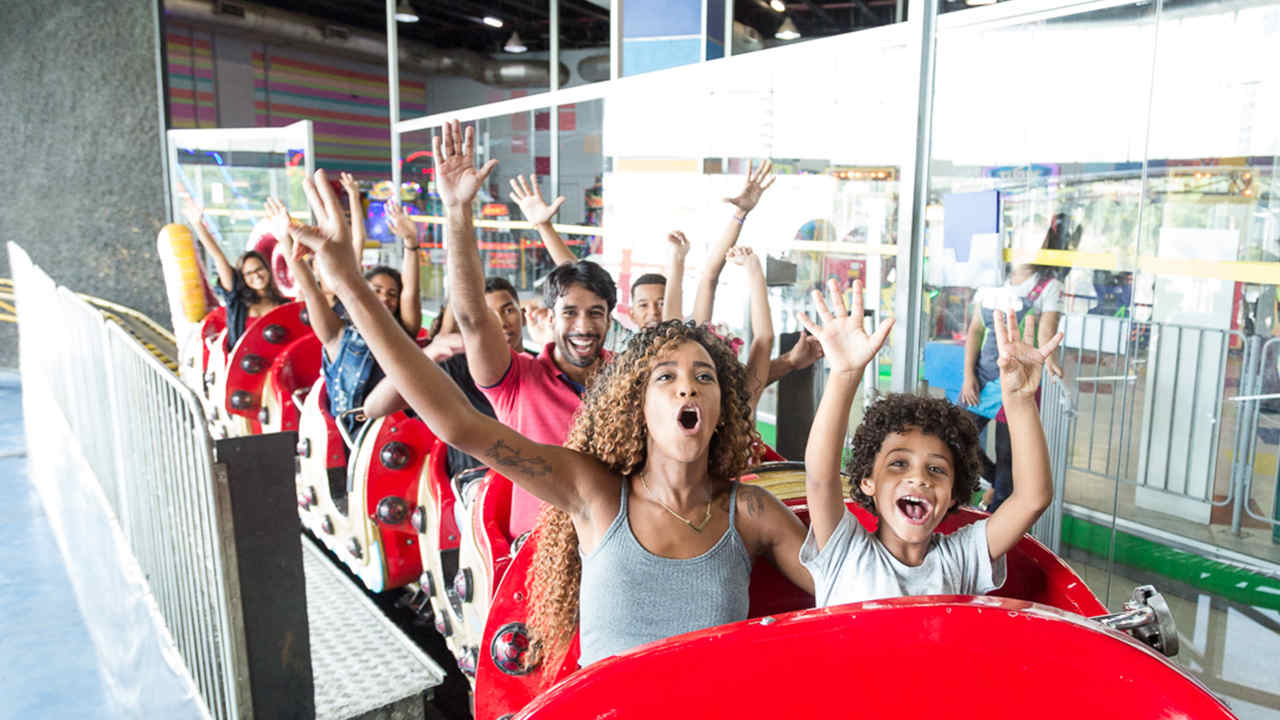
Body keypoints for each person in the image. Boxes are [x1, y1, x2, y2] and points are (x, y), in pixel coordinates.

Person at [284, 159, 812, 676]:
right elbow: (456, 421)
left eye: (704, 378)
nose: (686, 388)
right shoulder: (595, 491)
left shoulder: (751, 511)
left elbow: (852, 584)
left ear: (724, 407)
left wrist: (846, 378)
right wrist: (347, 283)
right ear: (639, 406)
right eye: (665, 378)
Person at [798, 280, 1061, 607]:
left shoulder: (963, 557)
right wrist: (844, 375)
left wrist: (1020, 400)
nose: (919, 478)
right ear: (868, 482)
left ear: (953, 493)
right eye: (898, 463)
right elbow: (821, 478)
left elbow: (1032, 499)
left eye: (936, 469)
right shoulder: (845, 550)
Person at [442, 125, 616, 535]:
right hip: (536, 556)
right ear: (549, 318)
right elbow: (471, 318)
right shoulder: (517, 381)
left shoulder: (627, 377)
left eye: (596, 313)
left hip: (615, 547)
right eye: (570, 313)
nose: (583, 326)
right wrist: (457, 214)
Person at [263, 196, 421, 435]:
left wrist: (410, 242)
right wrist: (285, 239)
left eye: (392, 294)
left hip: (405, 428)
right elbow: (310, 289)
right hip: (355, 436)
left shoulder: (402, 332)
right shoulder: (338, 335)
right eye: (376, 290)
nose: (385, 299)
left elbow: (410, 291)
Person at [363, 276, 532, 479]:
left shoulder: (542, 368)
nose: (502, 323)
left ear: (522, 316)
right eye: (488, 316)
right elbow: (373, 408)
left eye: (508, 310)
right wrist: (428, 355)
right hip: (473, 488)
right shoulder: (453, 369)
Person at [958, 220, 1065, 511]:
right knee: (956, 436)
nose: (1032, 246)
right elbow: (976, 331)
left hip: (1016, 380)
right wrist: (968, 375)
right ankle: (993, 484)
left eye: (1039, 240)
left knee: (1008, 454)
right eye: (1025, 238)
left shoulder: (1050, 286)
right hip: (982, 378)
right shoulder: (991, 279)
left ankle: (998, 515)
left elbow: (1046, 327)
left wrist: (1050, 358)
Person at [184, 204, 287, 352]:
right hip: (244, 369)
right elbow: (218, 258)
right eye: (249, 273)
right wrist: (198, 224)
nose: (256, 275)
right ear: (243, 278)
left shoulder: (283, 303)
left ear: (268, 270)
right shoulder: (238, 301)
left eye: (259, 269)